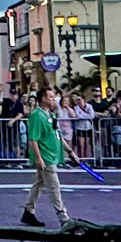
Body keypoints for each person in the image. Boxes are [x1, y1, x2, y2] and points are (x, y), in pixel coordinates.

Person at [21, 88, 79, 228]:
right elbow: (33, 138)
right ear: (43, 99)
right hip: (46, 156)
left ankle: (29, 211)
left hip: (53, 155)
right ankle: (63, 217)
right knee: (54, 187)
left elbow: (57, 135)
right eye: (51, 97)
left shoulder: (51, 115)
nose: (54, 99)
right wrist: (38, 157)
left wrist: (70, 152)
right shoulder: (37, 115)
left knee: (39, 184)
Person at [71, 93, 95, 160]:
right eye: (77, 100)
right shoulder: (76, 108)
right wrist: (86, 116)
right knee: (81, 145)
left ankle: (86, 158)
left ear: (83, 99)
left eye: (79, 99)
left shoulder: (89, 106)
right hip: (80, 127)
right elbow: (78, 116)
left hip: (88, 127)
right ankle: (80, 158)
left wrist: (83, 116)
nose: (78, 101)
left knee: (86, 145)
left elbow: (92, 116)